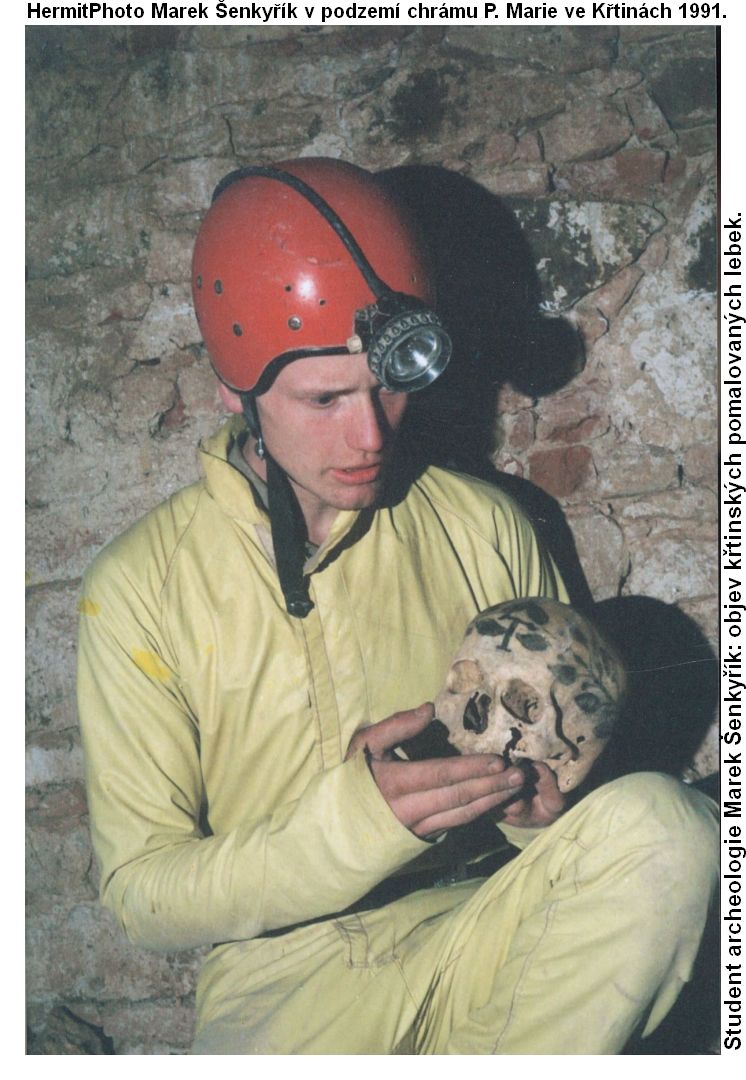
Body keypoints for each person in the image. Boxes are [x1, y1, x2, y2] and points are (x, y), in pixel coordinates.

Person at [77, 158, 718, 1055]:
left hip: (484, 933)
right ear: (235, 389)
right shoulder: (139, 589)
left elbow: (576, 795)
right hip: (283, 991)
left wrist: (540, 816)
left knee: (671, 830)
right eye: (323, 399)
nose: (371, 434)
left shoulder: (487, 524)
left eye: (387, 384)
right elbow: (144, 897)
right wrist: (354, 827)